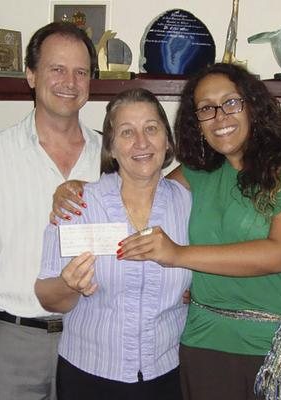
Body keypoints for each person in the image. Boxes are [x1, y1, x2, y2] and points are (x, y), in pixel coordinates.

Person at [109, 63, 281, 400]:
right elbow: (139, 196)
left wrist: (180, 256)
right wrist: (81, 192)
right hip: (206, 345)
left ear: (253, 105)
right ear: (196, 122)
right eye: (206, 109)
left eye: (231, 102)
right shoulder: (199, 171)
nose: (220, 117)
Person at [0, 21, 101, 400]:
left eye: (80, 72)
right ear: (31, 75)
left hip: (91, 340)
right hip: (10, 344)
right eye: (57, 69)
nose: (69, 81)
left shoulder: (111, 157)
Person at [36, 88, 192, 400]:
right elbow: (48, 297)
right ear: (111, 147)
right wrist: (69, 285)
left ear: (167, 140)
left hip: (166, 373)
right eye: (126, 132)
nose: (141, 142)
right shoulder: (79, 205)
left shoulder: (188, 204)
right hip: (90, 375)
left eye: (151, 128)